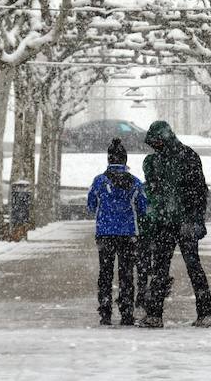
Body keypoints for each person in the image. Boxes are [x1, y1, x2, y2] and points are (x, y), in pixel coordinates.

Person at [140, 120, 211, 328]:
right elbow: (198, 191)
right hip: (175, 221)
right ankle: (203, 312)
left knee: (169, 267)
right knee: (180, 266)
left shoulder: (175, 159)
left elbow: (196, 191)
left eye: (156, 142)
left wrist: (192, 217)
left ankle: (156, 314)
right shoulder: (186, 157)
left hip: (175, 221)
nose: (154, 147)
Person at [86, 139, 148, 325]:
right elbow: (143, 208)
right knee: (126, 273)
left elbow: (90, 206)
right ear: (125, 159)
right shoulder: (135, 183)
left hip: (104, 233)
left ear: (108, 159)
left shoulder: (99, 181)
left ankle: (105, 312)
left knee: (105, 273)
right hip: (128, 234)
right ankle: (126, 311)